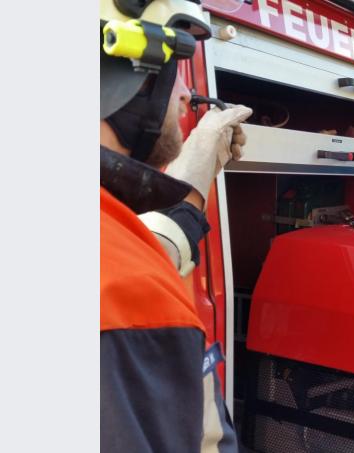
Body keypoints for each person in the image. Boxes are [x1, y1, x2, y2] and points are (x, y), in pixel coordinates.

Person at [100, 0, 252, 451]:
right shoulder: (127, 295)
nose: (187, 93)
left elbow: (146, 245)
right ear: (125, 69)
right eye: (175, 67)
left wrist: (197, 172)